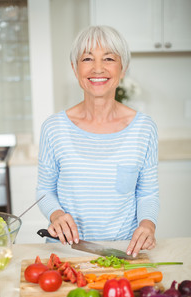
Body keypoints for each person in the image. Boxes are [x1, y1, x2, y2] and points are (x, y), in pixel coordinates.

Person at [36, 25, 159, 257]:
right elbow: (44, 189)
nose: (98, 68)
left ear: (123, 69)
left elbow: (148, 193)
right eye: (88, 58)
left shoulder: (144, 128)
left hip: (123, 251)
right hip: (67, 251)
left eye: (109, 58)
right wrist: (56, 214)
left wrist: (148, 225)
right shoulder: (53, 128)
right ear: (75, 68)